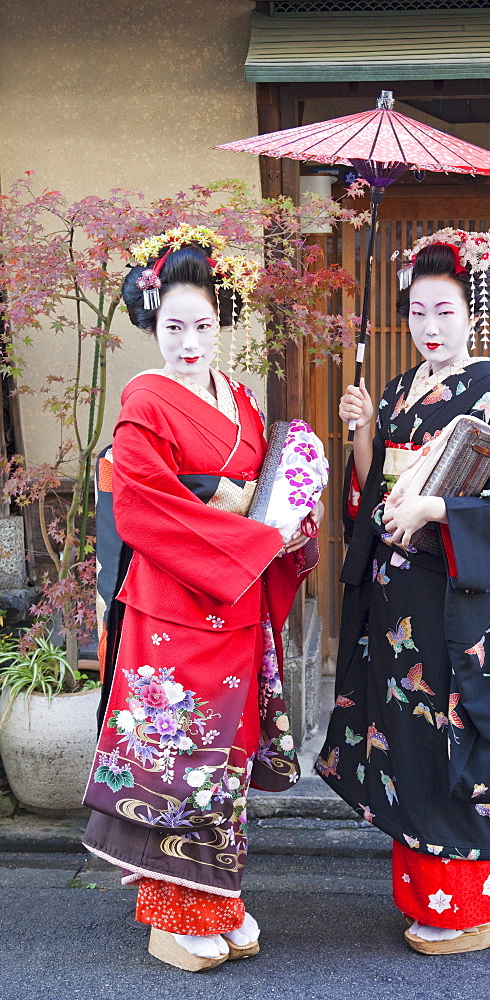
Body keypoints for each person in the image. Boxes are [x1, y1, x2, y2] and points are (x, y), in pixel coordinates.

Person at [317, 229, 490, 955]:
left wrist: (437, 511)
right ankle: (422, 895)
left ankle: (464, 909)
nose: (430, 328)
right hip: (401, 605)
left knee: (459, 745)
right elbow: (373, 496)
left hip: (458, 606)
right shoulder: (399, 389)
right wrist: (366, 436)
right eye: (418, 312)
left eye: (445, 312)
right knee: (409, 743)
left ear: (472, 316)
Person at [83, 226, 325, 972]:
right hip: (172, 607)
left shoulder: (244, 404)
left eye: (203, 327)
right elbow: (143, 506)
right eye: (173, 327)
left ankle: (217, 901)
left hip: (237, 601)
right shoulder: (144, 399)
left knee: (224, 759)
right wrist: (247, 534)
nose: (188, 343)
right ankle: (173, 913)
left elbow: (267, 494)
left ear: (224, 326)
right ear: (153, 325)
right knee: (175, 758)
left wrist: (291, 522)